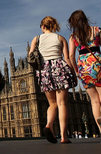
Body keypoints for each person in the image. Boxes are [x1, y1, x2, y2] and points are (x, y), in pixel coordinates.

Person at [29, 16, 76, 144]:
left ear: (43, 26)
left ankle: (48, 125)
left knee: (52, 104)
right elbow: (67, 58)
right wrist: (73, 74)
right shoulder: (60, 38)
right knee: (62, 104)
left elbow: (30, 56)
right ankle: (64, 137)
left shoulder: (36, 39)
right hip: (60, 68)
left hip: (44, 70)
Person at [68, 10, 101, 144]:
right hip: (98, 65)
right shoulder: (97, 30)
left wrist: (76, 70)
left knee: (94, 102)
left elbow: (70, 56)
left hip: (83, 67)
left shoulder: (73, 36)